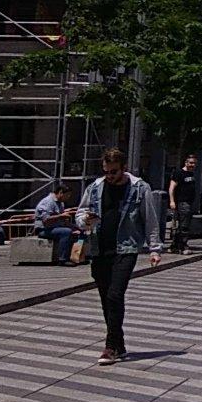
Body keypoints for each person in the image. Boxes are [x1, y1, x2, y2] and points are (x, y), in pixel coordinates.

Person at [78, 148, 163, 366]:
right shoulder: (95, 187)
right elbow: (80, 213)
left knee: (115, 295)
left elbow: (150, 220)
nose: (109, 176)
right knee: (106, 298)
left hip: (126, 248)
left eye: (114, 172)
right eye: (106, 171)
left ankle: (110, 347)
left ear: (124, 168)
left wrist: (155, 249)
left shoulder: (139, 188)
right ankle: (120, 343)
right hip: (99, 249)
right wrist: (85, 220)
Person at [33, 184, 78, 264]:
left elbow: (63, 221)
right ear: (60, 193)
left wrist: (75, 227)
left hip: (55, 227)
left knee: (76, 231)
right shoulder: (48, 202)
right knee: (66, 232)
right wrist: (60, 216)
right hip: (44, 229)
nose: (68, 197)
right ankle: (62, 259)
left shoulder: (60, 203)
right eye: (67, 195)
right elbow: (45, 220)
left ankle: (76, 257)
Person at [168, 155, 198, 254]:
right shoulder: (179, 173)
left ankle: (174, 246)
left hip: (189, 202)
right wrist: (172, 201)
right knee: (184, 226)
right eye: (191, 163)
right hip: (182, 202)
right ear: (186, 163)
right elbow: (171, 188)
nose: (193, 165)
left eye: (194, 163)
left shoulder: (191, 174)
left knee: (182, 225)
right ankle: (183, 246)